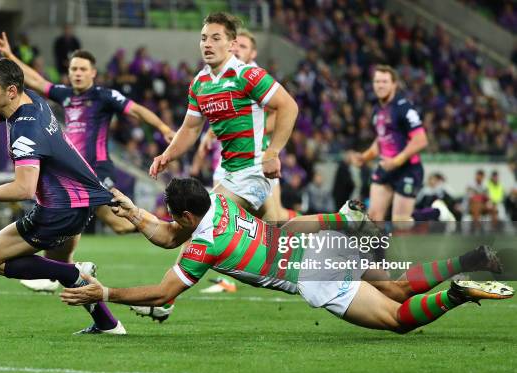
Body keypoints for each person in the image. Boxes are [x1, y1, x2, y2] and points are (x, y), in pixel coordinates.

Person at [60, 178, 513, 334]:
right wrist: (137, 214)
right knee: (395, 285)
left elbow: (161, 293)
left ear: (183, 214)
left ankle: (455, 293)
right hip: (318, 245)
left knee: (398, 318)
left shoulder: (204, 245)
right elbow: (167, 234)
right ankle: (468, 258)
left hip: (313, 273)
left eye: (170, 215)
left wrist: (108, 292)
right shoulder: (219, 203)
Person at [0, 58, 126, 335]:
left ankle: (75, 274)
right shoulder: (30, 100)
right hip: (78, 204)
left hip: (58, 211)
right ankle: (108, 324)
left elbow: (24, 189)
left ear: (11, 91)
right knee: (59, 261)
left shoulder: (26, 130)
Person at [0, 32, 175, 236]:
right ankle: (71, 265)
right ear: (69, 72)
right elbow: (36, 80)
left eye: (82, 69)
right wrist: (10, 56)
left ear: (93, 73)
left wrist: (164, 128)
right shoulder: (65, 94)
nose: (77, 73)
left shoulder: (104, 96)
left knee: (119, 224)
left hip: (98, 169)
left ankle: (170, 226)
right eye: (74, 69)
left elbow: (136, 110)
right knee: (78, 223)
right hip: (74, 170)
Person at [149, 12, 298, 220]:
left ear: (231, 44)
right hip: (229, 172)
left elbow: (289, 106)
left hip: (253, 171)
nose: (207, 44)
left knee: (203, 221)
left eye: (216, 38)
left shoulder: (247, 75)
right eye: (204, 38)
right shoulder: (199, 83)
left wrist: (273, 152)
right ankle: (343, 220)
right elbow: (190, 128)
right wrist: (167, 155)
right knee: (277, 232)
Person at [190, 28, 297, 223]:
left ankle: (331, 225)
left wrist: (251, 131)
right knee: (225, 222)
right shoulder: (222, 74)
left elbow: (282, 111)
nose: (237, 49)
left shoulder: (255, 76)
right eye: (235, 45)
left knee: (273, 221)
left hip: (258, 158)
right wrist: (210, 133)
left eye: (243, 46)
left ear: (253, 53)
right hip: (228, 160)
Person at [356, 65, 428, 222]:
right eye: (377, 81)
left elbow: (421, 140)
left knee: (400, 223)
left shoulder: (403, 108)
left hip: (408, 169)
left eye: (384, 81)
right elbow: (381, 139)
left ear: (394, 84)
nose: (380, 85)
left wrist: (397, 161)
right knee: (374, 218)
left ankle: (432, 215)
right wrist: (365, 157)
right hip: (386, 168)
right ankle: (377, 247)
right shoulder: (377, 110)